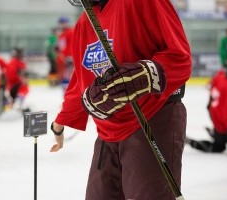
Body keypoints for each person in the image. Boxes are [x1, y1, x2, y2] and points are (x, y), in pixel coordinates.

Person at [50, 0, 192, 199]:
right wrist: (61, 122)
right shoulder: (84, 22)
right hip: (107, 132)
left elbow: (180, 57)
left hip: (150, 120)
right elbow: (81, 81)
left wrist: (146, 75)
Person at [187, 57, 227, 153]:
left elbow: (209, 85)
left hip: (215, 114)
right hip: (223, 121)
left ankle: (217, 134)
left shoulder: (220, 76)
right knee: (220, 145)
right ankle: (222, 136)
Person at [55, 16, 74, 90]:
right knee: (63, 80)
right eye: (61, 23)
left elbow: (73, 45)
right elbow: (61, 47)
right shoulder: (62, 34)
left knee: (68, 78)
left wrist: (71, 57)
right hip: (62, 60)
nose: (62, 25)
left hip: (69, 59)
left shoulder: (71, 32)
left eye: (63, 23)